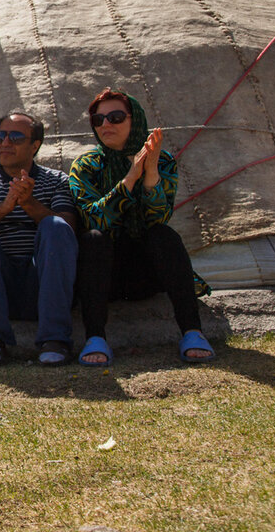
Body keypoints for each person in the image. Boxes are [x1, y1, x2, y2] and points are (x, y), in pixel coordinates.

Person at [68, 88, 215, 366]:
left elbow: (157, 218)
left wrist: (150, 174)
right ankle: (95, 337)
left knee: (163, 235)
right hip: (103, 273)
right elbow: (93, 218)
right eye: (98, 120)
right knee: (94, 238)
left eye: (115, 117)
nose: (106, 125)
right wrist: (130, 177)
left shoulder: (163, 161)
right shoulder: (86, 165)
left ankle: (192, 332)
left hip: (147, 272)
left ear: (134, 120)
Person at [0, 112, 78, 366]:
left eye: (16, 137)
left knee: (55, 226)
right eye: (0, 136)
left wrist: (29, 203)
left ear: (35, 145)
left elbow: (69, 229)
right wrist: (4, 208)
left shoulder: (57, 180)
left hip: (42, 284)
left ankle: (55, 338)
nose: (5, 143)